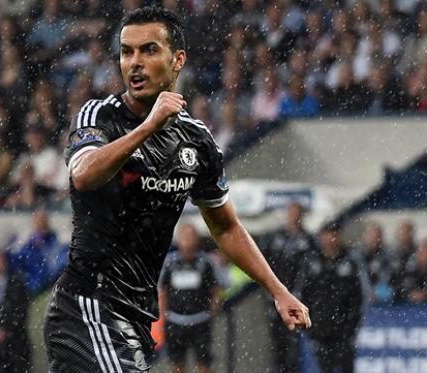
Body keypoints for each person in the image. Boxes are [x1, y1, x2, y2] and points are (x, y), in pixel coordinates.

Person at [44, 7, 310, 373]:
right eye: (127, 52)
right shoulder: (99, 116)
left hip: (135, 317)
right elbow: (83, 175)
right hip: (88, 305)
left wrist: (278, 290)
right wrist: (148, 127)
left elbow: (226, 228)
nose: (134, 63)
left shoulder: (197, 141)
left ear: (177, 59)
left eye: (148, 50)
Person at [298, 224, 365, 373]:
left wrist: (351, 326)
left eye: (334, 234)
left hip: (344, 329)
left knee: (347, 367)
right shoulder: (312, 261)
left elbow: (359, 296)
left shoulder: (350, 260)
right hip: (321, 328)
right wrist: (311, 327)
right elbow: (303, 294)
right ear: (322, 237)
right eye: (328, 235)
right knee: (325, 368)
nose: (331, 239)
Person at [258, 202, 315, 373]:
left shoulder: (309, 240)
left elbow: (312, 270)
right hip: (275, 299)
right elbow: (262, 264)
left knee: (294, 345)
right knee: (277, 345)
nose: (293, 216)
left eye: (297, 213)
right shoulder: (275, 238)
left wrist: (301, 294)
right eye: (291, 212)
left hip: (298, 301)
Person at [159, 223, 221, 373]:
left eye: (190, 236)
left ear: (197, 239)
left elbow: (215, 288)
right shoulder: (170, 262)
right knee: (177, 364)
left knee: (204, 363)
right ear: (178, 239)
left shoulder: (206, 262)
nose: (187, 240)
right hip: (175, 321)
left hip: (200, 320)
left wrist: (213, 308)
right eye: (184, 236)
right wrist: (163, 315)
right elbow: (163, 290)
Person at [0, 249, 32, 373]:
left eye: (0, 260)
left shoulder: (17, 284)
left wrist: (5, 329)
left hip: (15, 343)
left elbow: (21, 311)